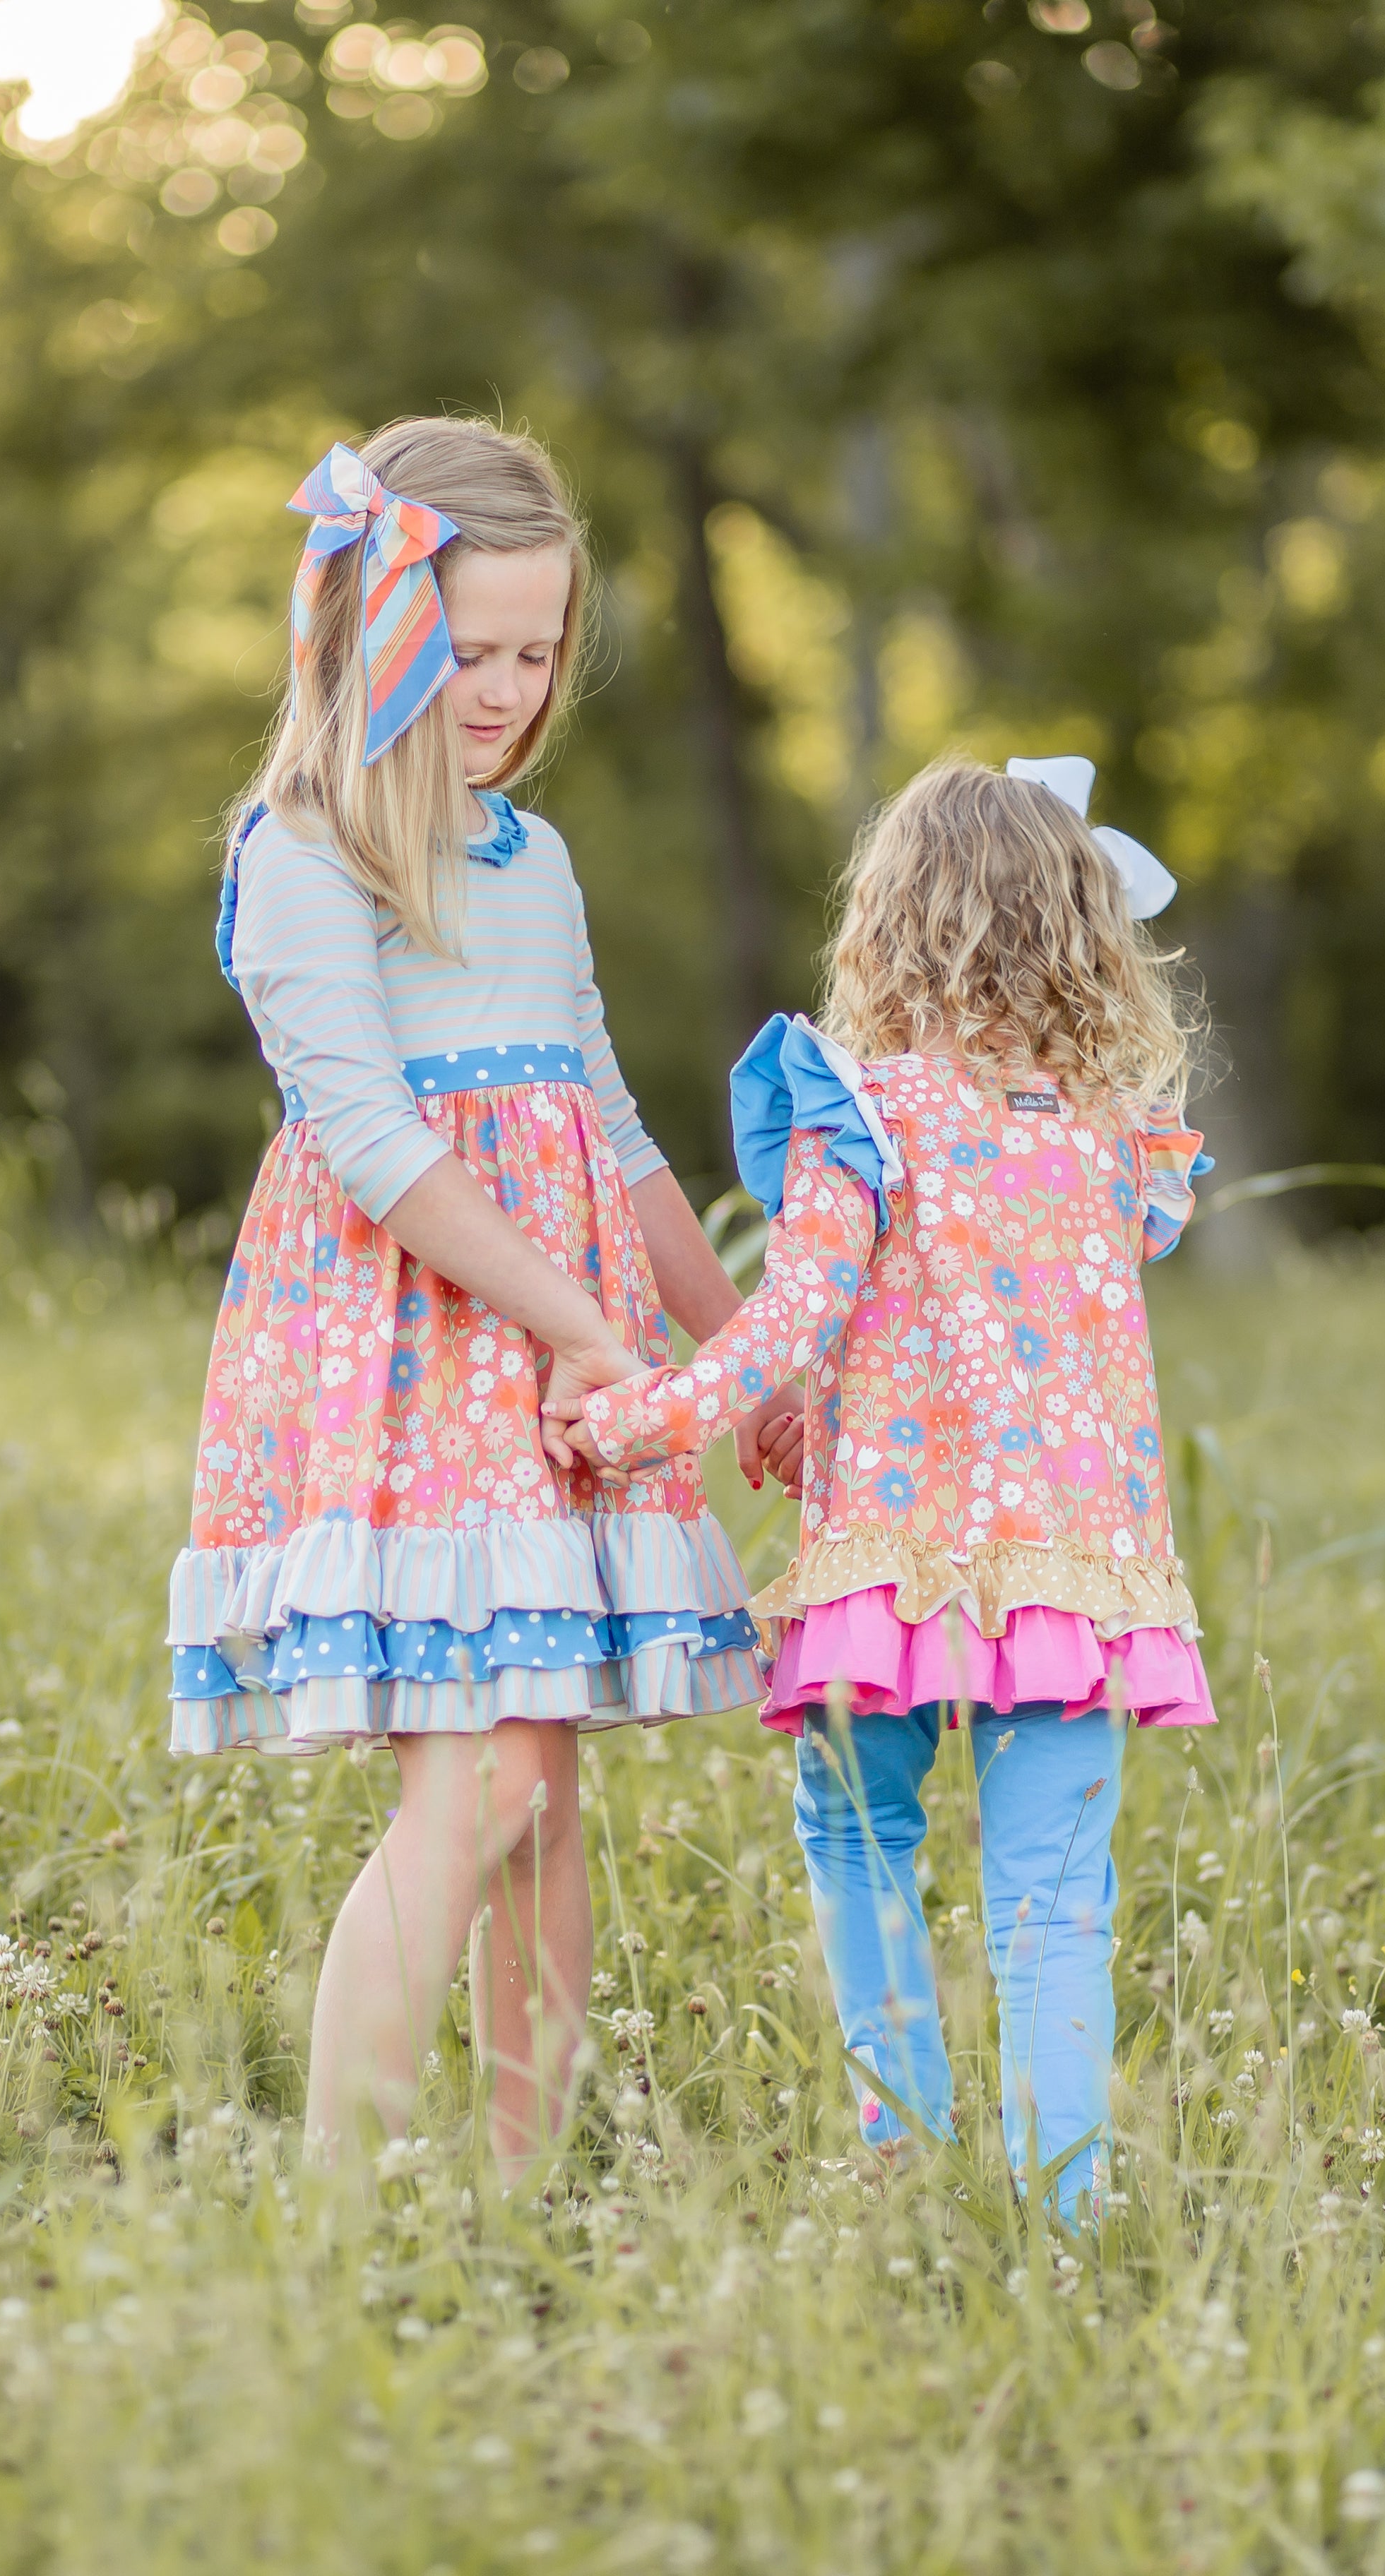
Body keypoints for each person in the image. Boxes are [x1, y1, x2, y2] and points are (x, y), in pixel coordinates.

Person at [168, 419, 765, 2176]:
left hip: (558, 1363)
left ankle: (524, 2189)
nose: (505, 689)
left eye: (535, 652)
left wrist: (744, 1356)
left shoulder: (537, 859)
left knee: (550, 1797)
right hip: (414, 1362)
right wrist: (578, 1326)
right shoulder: (305, 853)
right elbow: (364, 1141)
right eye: (471, 649)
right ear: (376, 630)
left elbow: (614, 1127)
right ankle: (342, 2194)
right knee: (485, 1780)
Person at [553, 754, 1215, 2219]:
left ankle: (903, 2158)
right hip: (1078, 1585)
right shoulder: (1116, 1142)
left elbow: (794, 1323)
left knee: (859, 1837)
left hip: (894, 1580)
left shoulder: (870, 1115)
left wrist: (637, 1420)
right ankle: (1067, 2214)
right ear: (1085, 935)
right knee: (1057, 1906)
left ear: (890, 924)